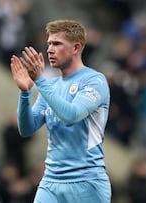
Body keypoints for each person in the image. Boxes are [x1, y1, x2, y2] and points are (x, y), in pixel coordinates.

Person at [10, 19, 111, 203]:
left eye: (57, 43)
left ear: (76, 48)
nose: (49, 49)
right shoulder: (51, 86)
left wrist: (39, 80)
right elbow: (26, 129)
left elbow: (71, 115)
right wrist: (25, 93)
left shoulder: (95, 81)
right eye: (49, 43)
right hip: (51, 182)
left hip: (86, 182)